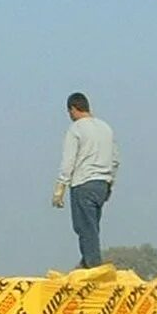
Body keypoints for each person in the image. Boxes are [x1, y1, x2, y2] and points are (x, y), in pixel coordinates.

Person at [52, 92, 119, 268]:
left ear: (73, 109)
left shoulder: (76, 129)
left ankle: (93, 266)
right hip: (102, 184)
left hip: (83, 183)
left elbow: (68, 160)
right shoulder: (106, 128)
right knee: (92, 226)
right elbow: (115, 160)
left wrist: (60, 188)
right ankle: (86, 263)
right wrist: (109, 183)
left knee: (84, 227)